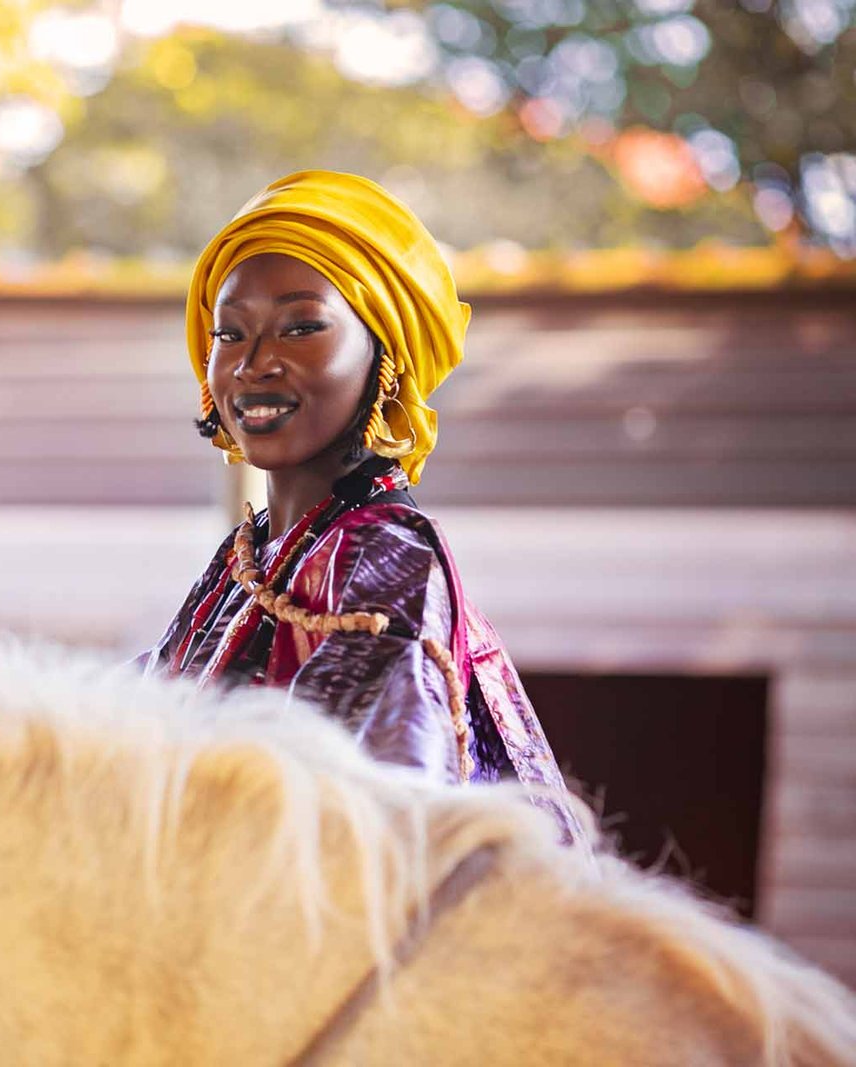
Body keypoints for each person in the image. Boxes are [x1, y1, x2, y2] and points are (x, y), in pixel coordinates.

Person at [140, 170, 585, 843]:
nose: (254, 363)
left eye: (301, 327)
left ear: (387, 356)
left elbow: (359, 820)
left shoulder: (387, 557)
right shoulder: (251, 555)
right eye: (230, 334)